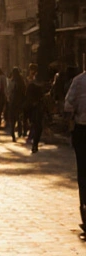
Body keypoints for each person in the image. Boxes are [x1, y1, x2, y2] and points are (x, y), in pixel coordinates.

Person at [63, 67, 86, 230]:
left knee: (83, 171)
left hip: (82, 130)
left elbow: (68, 106)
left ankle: (85, 209)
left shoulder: (78, 81)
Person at [26, 64, 48, 152]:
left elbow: (27, 96)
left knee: (34, 124)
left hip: (32, 107)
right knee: (38, 126)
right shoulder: (42, 86)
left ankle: (33, 141)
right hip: (39, 107)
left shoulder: (31, 85)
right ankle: (35, 143)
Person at [6, 67, 26, 140]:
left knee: (13, 118)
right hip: (20, 101)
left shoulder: (12, 81)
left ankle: (12, 132)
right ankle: (20, 132)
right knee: (19, 117)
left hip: (13, 101)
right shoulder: (21, 81)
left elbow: (8, 90)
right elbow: (24, 90)